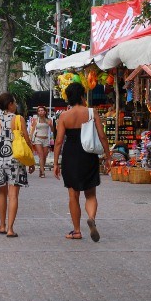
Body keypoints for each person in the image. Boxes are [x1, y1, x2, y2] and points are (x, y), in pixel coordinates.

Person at [53, 82, 110, 242]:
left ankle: (77, 231)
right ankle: (91, 217)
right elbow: (102, 136)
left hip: (71, 155)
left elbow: (58, 141)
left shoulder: (64, 116)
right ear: (82, 96)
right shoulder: (92, 112)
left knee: (73, 195)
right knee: (90, 193)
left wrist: (56, 163)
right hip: (88, 155)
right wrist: (108, 155)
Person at [0, 93, 35, 238]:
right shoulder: (18, 119)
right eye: (15, 102)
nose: (16, 104)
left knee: (2, 193)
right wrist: (31, 161)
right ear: (10, 104)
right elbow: (26, 139)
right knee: (13, 195)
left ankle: (2, 225)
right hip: (16, 160)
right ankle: (10, 229)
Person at [30, 106, 53, 178]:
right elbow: (32, 130)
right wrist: (30, 139)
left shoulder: (49, 120)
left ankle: (41, 169)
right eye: (39, 111)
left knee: (45, 155)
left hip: (46, 139)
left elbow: (52, 130)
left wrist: (50, 125)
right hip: (38, 139)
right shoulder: (36, 120)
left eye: (42, 110)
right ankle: (43, 172)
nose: (41, 112)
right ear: (38, 112)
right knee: (41, 155)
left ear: (45, 112)